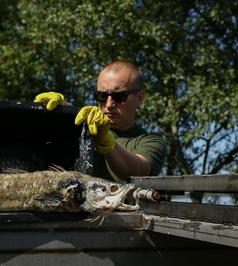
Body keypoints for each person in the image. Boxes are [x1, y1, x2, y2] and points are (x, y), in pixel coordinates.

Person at [34, 60, 168, 181]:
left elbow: (137, 171)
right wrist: (59, 112)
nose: (109, 104)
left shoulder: (152, 142)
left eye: (119, 96)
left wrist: (106, 141)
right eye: (102, 96)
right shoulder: (82, 128)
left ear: (139, 98)